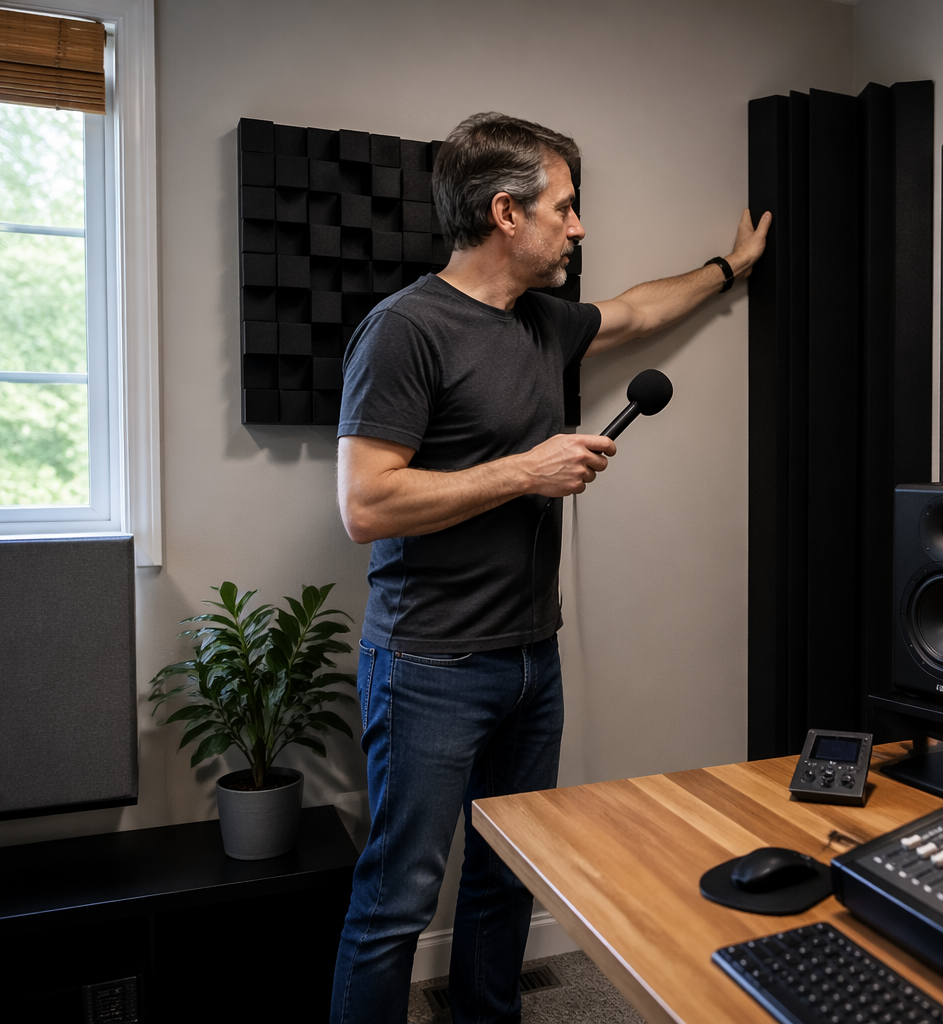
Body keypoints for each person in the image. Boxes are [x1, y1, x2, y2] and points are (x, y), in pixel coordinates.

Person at [328, 112, 770, 1024]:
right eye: (565, 209)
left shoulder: (543, 324)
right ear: (505, 213)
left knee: (509, 877)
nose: (579, 227)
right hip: (428, 667)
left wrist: (730, 269)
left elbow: (643, 308)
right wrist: (527, 471)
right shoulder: (404, 330)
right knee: (396, 904)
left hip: (532, 660)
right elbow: (366, 505)